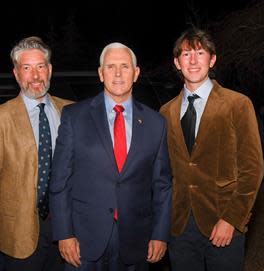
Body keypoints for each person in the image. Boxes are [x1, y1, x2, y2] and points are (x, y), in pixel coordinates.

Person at [49, 42, 173, 271]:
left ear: (136, 74)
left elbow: (163, 185)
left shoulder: (156, 124)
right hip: (83, 241)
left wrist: (160, 234)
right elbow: (60, 181)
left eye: (125, 66)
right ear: (100, 73)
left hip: (136, 240)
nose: (117, 73)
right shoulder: (74, 116)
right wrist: (64, 233)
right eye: (111, 66)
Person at [160, 28, 264, 271]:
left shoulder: (237, 104)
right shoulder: (166, 112)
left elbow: (252, 169)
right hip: (180, 227)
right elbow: (164, 172)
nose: (193, 61)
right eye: (186, 55)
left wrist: (232, 219)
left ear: (213, 59)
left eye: (200, 52)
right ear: (177, 62)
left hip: (223, 221)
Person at [0, 36, 73, 271]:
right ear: (16, 74)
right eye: (27, 68)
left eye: (40, 67)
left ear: (49, 70)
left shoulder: (71, 111)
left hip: (67, 227)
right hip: (19, 232)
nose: (35, 76)